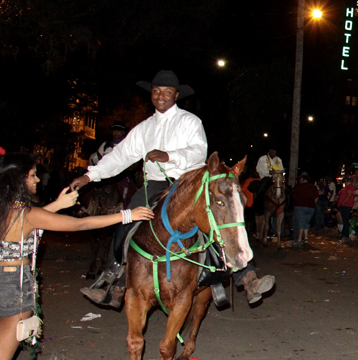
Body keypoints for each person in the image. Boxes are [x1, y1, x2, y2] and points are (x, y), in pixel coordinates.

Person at [69, 70, 275, 307]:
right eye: (156, 91)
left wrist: (170, 156)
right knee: (126, 223)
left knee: (221, 216)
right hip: (154, 184)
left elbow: (198, 152)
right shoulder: (143, 128)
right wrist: (89, 176)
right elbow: (120, 156)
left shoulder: (190, 121)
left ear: (176, 95)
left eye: (167, 92)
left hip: (186, 183)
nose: (160, 96)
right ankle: (114, 283)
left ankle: (247, 277)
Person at [0, 154, 154, 360]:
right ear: (17, 180)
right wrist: (127, 215)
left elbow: (28, 226)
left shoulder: (5, 210)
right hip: (12, 289)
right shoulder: (25, 213)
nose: (36, 179)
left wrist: (57, 205)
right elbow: (79, 226)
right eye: (31, 175)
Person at [291, 172, 317, 245]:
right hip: (310, 208)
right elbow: (316, 197)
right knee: (306, 222)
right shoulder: (312, 187)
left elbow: (294, 197)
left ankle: (299, 239)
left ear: (302, 179)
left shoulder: (299, 187)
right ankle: (305, 237)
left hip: (300, 207)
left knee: (300, 223)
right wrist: (312, 204)